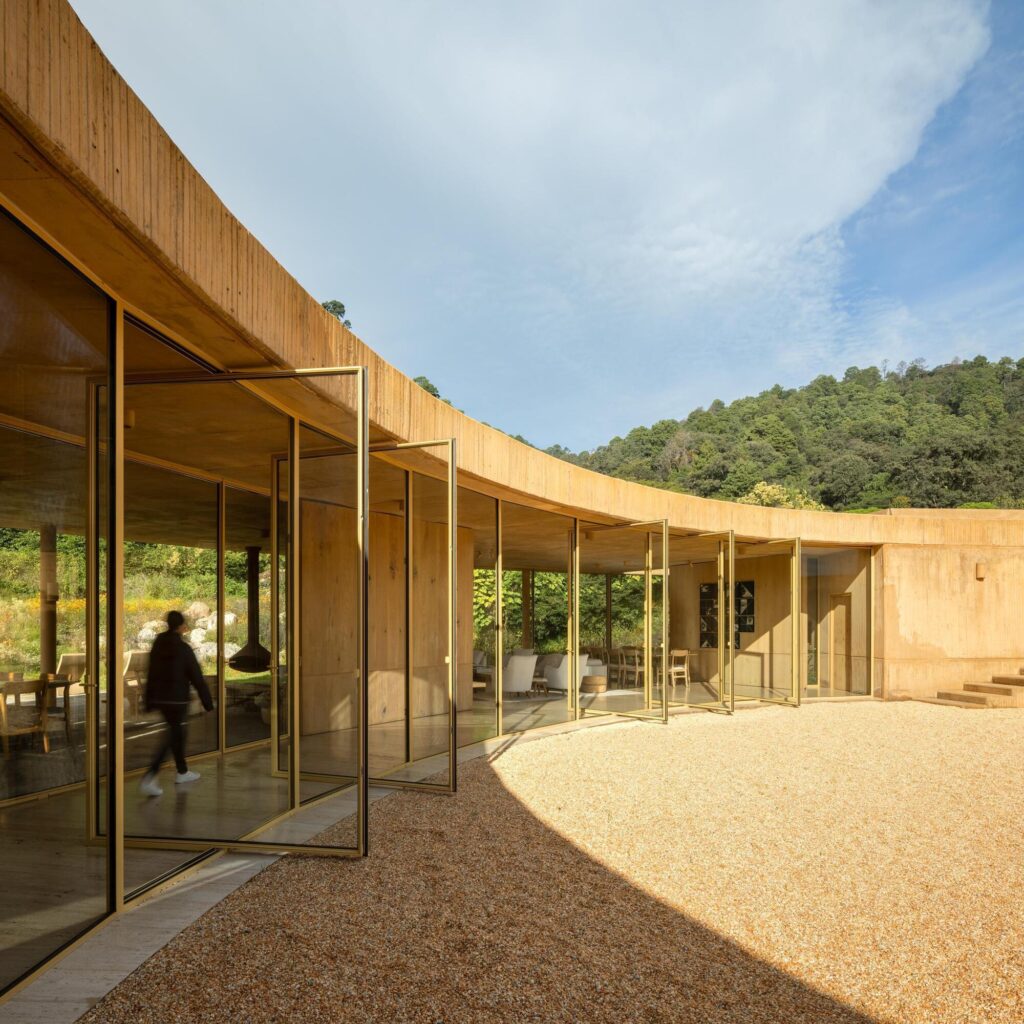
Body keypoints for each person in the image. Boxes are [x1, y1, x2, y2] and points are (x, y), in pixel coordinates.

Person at [139, 610, 214, 797]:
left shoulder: (158, 645)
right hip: (177, 699)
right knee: (174, 735)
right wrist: (208, 702)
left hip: (160, 699)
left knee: (178, 732)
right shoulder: (183, 648)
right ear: (181, 627)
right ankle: (151, 775)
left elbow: (151, 672)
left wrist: (148, 700)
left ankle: (182, 771)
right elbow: (196, 677)